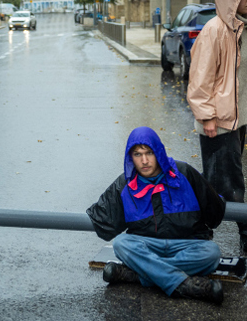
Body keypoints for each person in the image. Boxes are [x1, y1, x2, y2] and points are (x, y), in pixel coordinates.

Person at [87, 127, 226, 304]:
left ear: (158, 151)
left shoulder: (184, 173)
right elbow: (104, 223)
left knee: (211, 253)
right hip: (147, 245)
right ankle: (184, 285)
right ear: (130, 157)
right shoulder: (125, 184)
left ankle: (138, 275)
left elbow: (214, 214)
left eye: (149, 153)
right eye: (137, 154)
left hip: (187, 245)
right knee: (121, 244)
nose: (144, 161)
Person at [188, 0, 247, 252]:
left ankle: (197, 228)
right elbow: (200, 78)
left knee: (217, 180)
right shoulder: (214, 30)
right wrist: (206, 117)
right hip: (218, 120)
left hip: (237, 119)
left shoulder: (244, 29)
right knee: (228, 182)